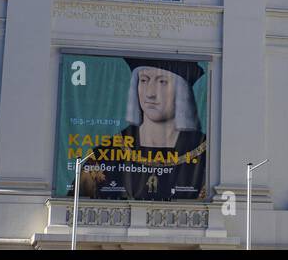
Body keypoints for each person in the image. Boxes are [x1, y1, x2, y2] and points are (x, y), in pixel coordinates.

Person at [77, 58, 207, 201]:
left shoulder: (205, 154)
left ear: (181, 91)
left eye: (162, 82)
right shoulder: (106, 154)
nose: (150, 93)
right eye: (144, 80)